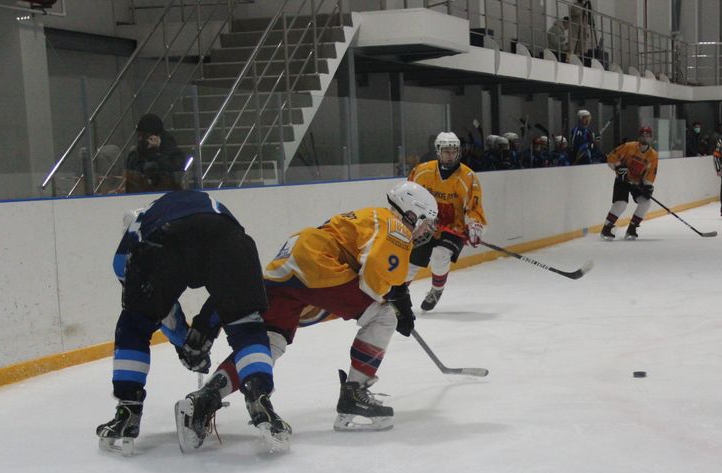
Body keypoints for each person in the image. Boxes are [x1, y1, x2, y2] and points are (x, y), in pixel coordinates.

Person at [175, 181, 439, 445]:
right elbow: (372, 281)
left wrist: (396, 294)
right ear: (411, 213)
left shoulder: (375, 215)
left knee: (270, 341)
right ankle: (354, 395)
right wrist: (396, 301)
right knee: (384, 316)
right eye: (425, 223)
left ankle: (204, 399)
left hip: (292, 257)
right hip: (316, 262)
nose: (424, 232)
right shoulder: (397, 228)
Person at [96, 189, 283, 455]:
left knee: (134, 324)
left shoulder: (131, 245)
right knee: (246, 324)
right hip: (229, 238)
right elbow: (226, 296)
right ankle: (259, 396)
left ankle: (128, 409)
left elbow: (159, 310)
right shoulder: (202, 204)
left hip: (164, 241)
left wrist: (186, 343)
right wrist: (204, 330)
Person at [407, 132, 488, 311]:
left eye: (453, 151)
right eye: (446, 151)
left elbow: (474, 207)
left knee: (440, 254)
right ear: (438, 151)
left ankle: (436, 290)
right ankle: (397, 296)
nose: (450, 155)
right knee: (410, 262)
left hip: (453, 228)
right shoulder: (422, 172)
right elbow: (408, 197)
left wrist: (474, 225)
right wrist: (416, 218)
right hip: (426, 226)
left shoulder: (468, 177)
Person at [600, 126, 658, 241]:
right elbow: (612, 156)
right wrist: (618, 167)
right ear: (639, 136)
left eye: (647, 136)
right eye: (643, 135)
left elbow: (651, 173)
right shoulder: (629, 147)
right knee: (621, 204)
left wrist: (648, 186)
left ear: (651, 138)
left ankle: (632, 228)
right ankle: (606, 228)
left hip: (637, 182)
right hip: (622, 180)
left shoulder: (653, 155)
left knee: (646, 203)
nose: (645, 138)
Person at [124, 113, 186, 193]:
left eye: (144, 136)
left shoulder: (174, 153)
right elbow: (131, 172)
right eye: (139, 135)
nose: (140, 139)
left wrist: (158, 153)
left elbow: (173, 173)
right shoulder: (137, 153)